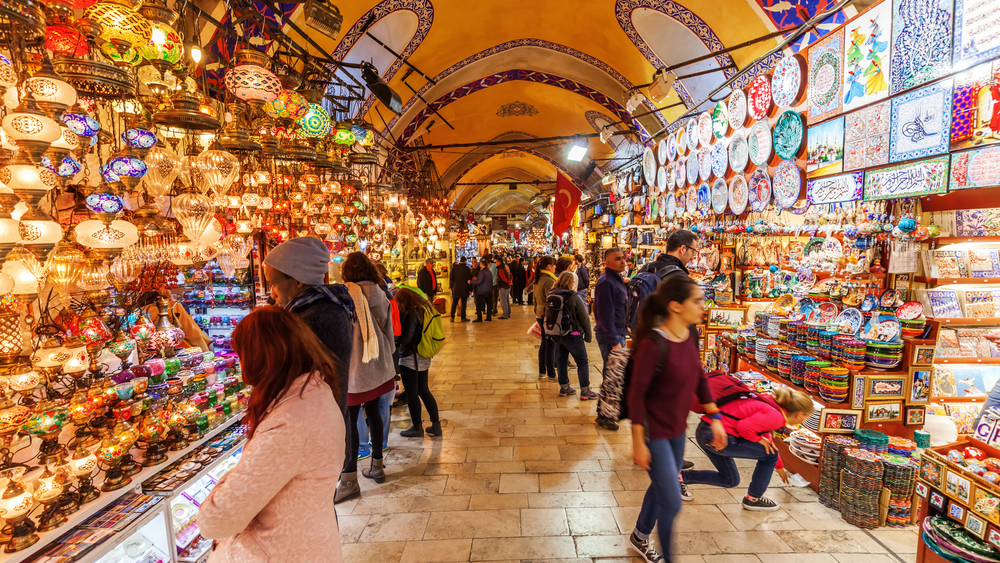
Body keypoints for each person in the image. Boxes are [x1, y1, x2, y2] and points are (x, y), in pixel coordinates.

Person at [198, 306, 345, 563]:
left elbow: (216, 519)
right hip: (307, 543)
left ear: (261, 358)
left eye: (242, 355)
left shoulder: (288, 423)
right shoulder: (314, 391)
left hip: (280, 550)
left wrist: (226, 480)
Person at [627, 276, 727, 563]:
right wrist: (638, 443)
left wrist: (715, 416)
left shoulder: (690, 333)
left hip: (676, 431)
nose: (703, 306)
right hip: (654, 433)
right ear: (675, 306)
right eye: (696, 301)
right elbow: (636, 396)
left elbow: (699, 377)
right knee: (671, 502)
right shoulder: (653, 343)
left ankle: (639, 535)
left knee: (662, 486)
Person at [263, 237, 355, 465]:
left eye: (274, 284)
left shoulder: (311, 319)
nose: (272, 293)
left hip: (314, 433)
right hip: (324, 426)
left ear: (298, 281)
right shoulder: (326, 306)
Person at [681, 386, 814, 511]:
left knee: (730, 480)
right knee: (769, 456)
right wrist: (758, 440)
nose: (805, 420)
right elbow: (744, 427)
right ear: (799, 414)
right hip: (717, 435)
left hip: (706, 430)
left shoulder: (772, 406)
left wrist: (779, 467)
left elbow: (768, 440)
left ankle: (680, 478)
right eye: (806, 417)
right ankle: (754, 499)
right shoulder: (777, 417)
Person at [335, 252, 397, 502]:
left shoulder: (344, 294)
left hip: (354, 369)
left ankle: (349, 479)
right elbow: (389, 328)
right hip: (378, 366)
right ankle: (377, 466)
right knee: (374, 413)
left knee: (350, 421)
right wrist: (389, 358)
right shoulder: (380, 293)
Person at [395, 288, 442, 437]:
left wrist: (397, 339)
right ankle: (436, 425)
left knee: (412, 394)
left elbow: (406, 339)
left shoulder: (412, 313)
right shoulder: (425, 308)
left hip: (410, 359)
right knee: (424, 390)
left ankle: (417, 427)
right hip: (423, 356)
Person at [549, 272, 594, 399]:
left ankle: (564, 388)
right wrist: (588, 336)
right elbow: (584, 318)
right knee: (582, 361)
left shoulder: (552, 294)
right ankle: (585, 391)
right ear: (570, 282)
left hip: (557, 333)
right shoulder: (573, 296)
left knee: (561, 360)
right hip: (573, 333)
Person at [137, 286, 210, 351]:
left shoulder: (137, 313)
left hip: (150, 355)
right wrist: (205, 354)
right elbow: (193, 335)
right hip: (177, 352)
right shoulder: (173, 307)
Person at [593, 248, 627, 369]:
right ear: (607, 263)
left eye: (623, 257)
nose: (623, 261)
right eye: (618, 259)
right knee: (613, 376)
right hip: (612, 336)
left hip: (617, 333)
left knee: (614, 375)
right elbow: (604, 315)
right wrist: (614, 342)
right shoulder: (607, 282)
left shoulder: (614, 279)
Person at [533, 256, 558, 379]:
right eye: (554, 265)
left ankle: (542, 371)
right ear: (549, 266)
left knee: (545, 343)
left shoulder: (540, 278)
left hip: (540, 312)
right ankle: (551, 373)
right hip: (547, 315)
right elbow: (552, 301)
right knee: (550, 344)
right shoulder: (549, 281)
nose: (555, 267)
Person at [450, 257, 473, 322]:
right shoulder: (467, 269)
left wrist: (451, 286)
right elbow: (469, 280)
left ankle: (452, 316)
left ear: (460, 261)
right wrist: (470, 290)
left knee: (454, 303)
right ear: (465, 261)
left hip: (456, 288)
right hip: (464, 288)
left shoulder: (455, 268)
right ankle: (463, 317)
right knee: (463, 303)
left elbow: (451, 278)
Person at [473, 257, 494, 322]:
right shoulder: (489, 271)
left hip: (482, 291)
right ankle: (489, 317)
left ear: (482, 264)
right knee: (489, 305)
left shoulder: (482, 272)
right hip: (489, 290)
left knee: (478, 305)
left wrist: (471, 281)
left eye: (480, 263)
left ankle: (479, 318)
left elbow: (479, 281)